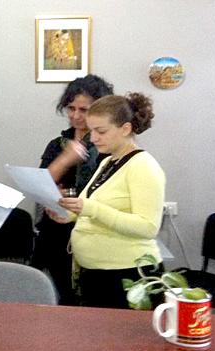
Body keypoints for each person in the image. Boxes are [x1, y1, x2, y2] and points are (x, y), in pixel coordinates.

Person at [48, 92, 166, 309]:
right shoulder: (109, 163)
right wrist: (67, 214)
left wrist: (89, 208)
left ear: (126, 129)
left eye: (100, 131)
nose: (92, 138)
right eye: (91, 130)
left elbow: (148, 227)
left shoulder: (143, 166)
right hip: (98, 274)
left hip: (129, 277)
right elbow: (93, 205)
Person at [31, 74, 113, 305]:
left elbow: (107, 193)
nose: (76, 116)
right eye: (71, 108)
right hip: (53, 231)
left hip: (89, 231)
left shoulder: (107, 146)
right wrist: (65, 161)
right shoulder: (58, 144)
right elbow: (41, 183)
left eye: (84, 110)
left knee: (85, 300)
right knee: (48, 293)